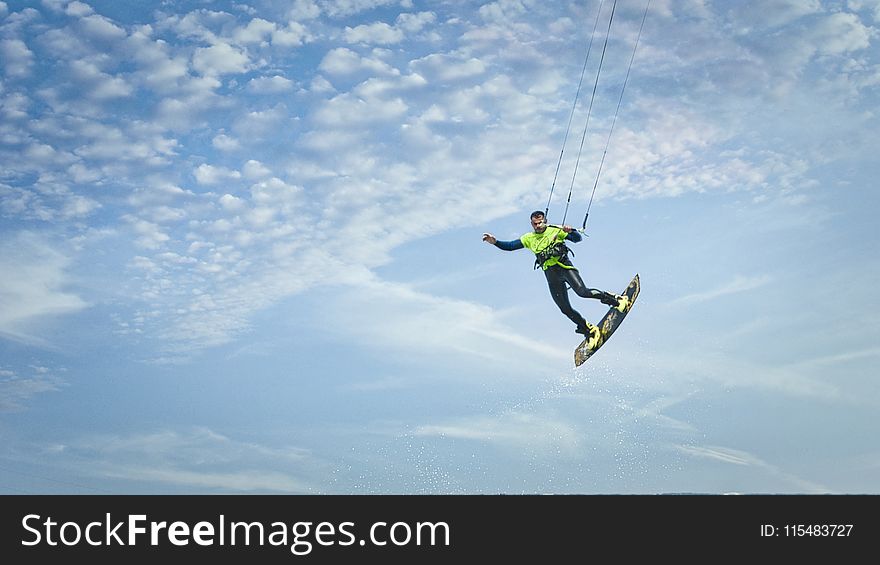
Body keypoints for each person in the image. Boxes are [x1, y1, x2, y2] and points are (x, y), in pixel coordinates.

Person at [482, 210, 628, 347]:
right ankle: (589, 330)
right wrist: (495, 242)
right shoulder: (528, 238)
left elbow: (578, 239)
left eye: (540, 222)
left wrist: (571, 231)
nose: (538, 226)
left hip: (565, 268)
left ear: (545, 220)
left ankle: (615, 300)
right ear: (532, 224)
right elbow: (510, 246)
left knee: (583, 292)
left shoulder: (556, 230)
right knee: (565, 309)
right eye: (535, 224)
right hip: (552, 277)